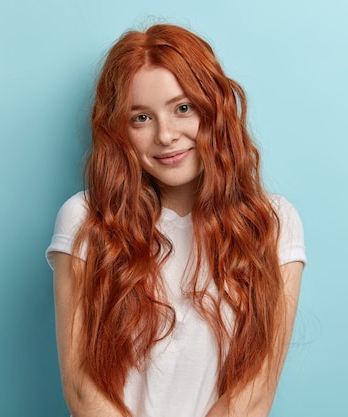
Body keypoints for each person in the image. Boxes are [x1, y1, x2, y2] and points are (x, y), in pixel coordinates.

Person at [45, 24, 306, 417]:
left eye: (183, 108)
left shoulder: (273, 223)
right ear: (120, 131)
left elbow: (255, 394)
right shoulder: (85, 219)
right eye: (141, 118)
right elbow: (83, 390)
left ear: (213, 110)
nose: (166, 135)